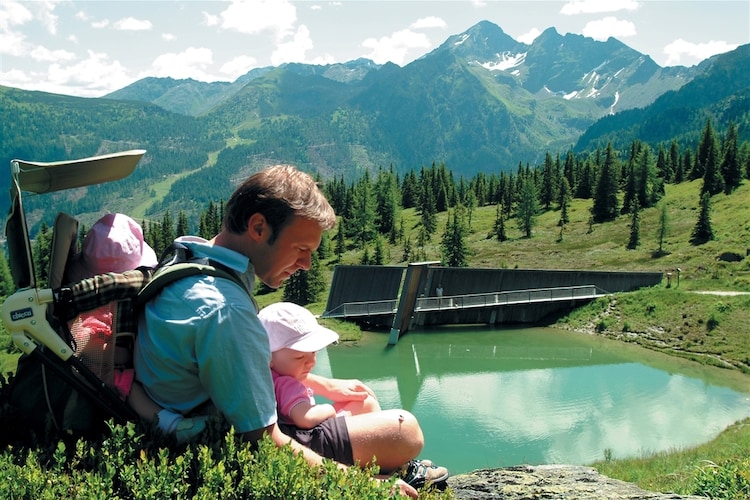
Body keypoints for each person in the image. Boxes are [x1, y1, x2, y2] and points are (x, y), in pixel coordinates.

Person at [133, 165, 447, 497]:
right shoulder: (226, 310)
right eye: (301, 249)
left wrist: (322, 383)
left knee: (363, 405)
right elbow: (262, 441)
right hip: (223, 443)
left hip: (185, 416)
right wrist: (363, 487)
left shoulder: (189, 257)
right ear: (258, 227)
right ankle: (395, 472)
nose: (307, 265)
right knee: (404, 431)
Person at [67, 213, 207, 443]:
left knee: (130, 387)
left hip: (109, 368)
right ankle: (173, 425)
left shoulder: (89, 307)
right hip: (130, 365)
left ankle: (173, 424)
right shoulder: (132, 299)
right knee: (130, 387)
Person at [260, 301, 381, 429]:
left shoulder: (267, 377)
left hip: (294, 430)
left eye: (314, 352)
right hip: (310, 433)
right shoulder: (288, 384)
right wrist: (328, 409)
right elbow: (306, 418)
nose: (312, 362)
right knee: (367, 404)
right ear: (269, 357)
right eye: (299, 357)